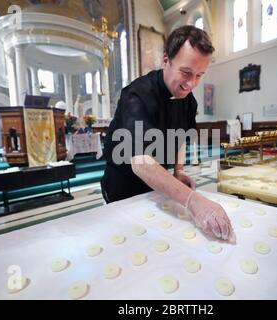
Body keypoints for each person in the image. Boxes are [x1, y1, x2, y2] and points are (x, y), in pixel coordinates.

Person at [101, 25, 235, 243]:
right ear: (166, 60)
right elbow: (141, 163)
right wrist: (193, 200)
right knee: (129, 244)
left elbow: (181, 138)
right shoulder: (137, 95)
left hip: (159, 185)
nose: (191, 84)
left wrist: (178, 171)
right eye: (186, 73)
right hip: (124, 187)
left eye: (199, 75)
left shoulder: (189, 101)